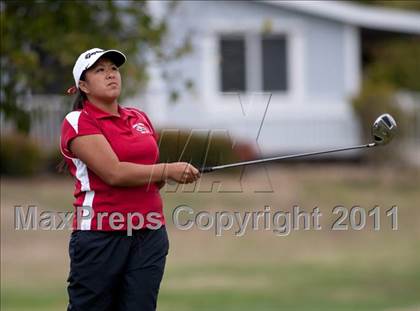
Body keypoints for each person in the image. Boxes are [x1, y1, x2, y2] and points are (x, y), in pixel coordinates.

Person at [60, 48, 200, 311]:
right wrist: (167, 170)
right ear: (83, 85)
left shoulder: (139, 118)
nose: (110, 75)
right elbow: (114, 173)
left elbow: (148, 174)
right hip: (100, 235)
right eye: (99, 71)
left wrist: (171, 175)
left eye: (113, 68)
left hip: (149, 233)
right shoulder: (78, 121)